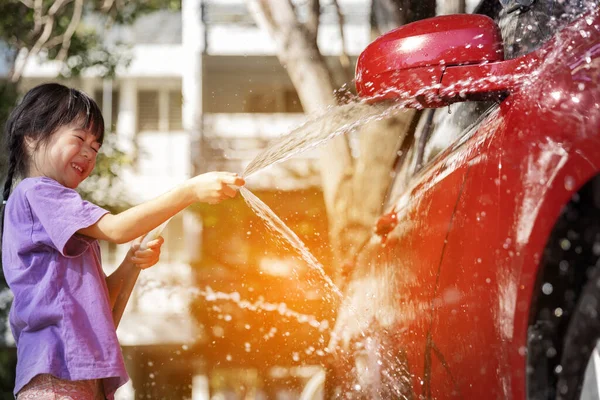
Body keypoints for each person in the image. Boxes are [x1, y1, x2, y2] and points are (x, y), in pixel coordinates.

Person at [0, 83, 245, 400]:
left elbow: (104, 313)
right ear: (32, 137)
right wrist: (190, 192)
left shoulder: (57, 217)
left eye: (95, 147)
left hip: (76, 378)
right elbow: (117, 229)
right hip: (55, 380)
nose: (89, 153)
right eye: (79, 139)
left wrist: (131, 264)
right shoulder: (38, 192)